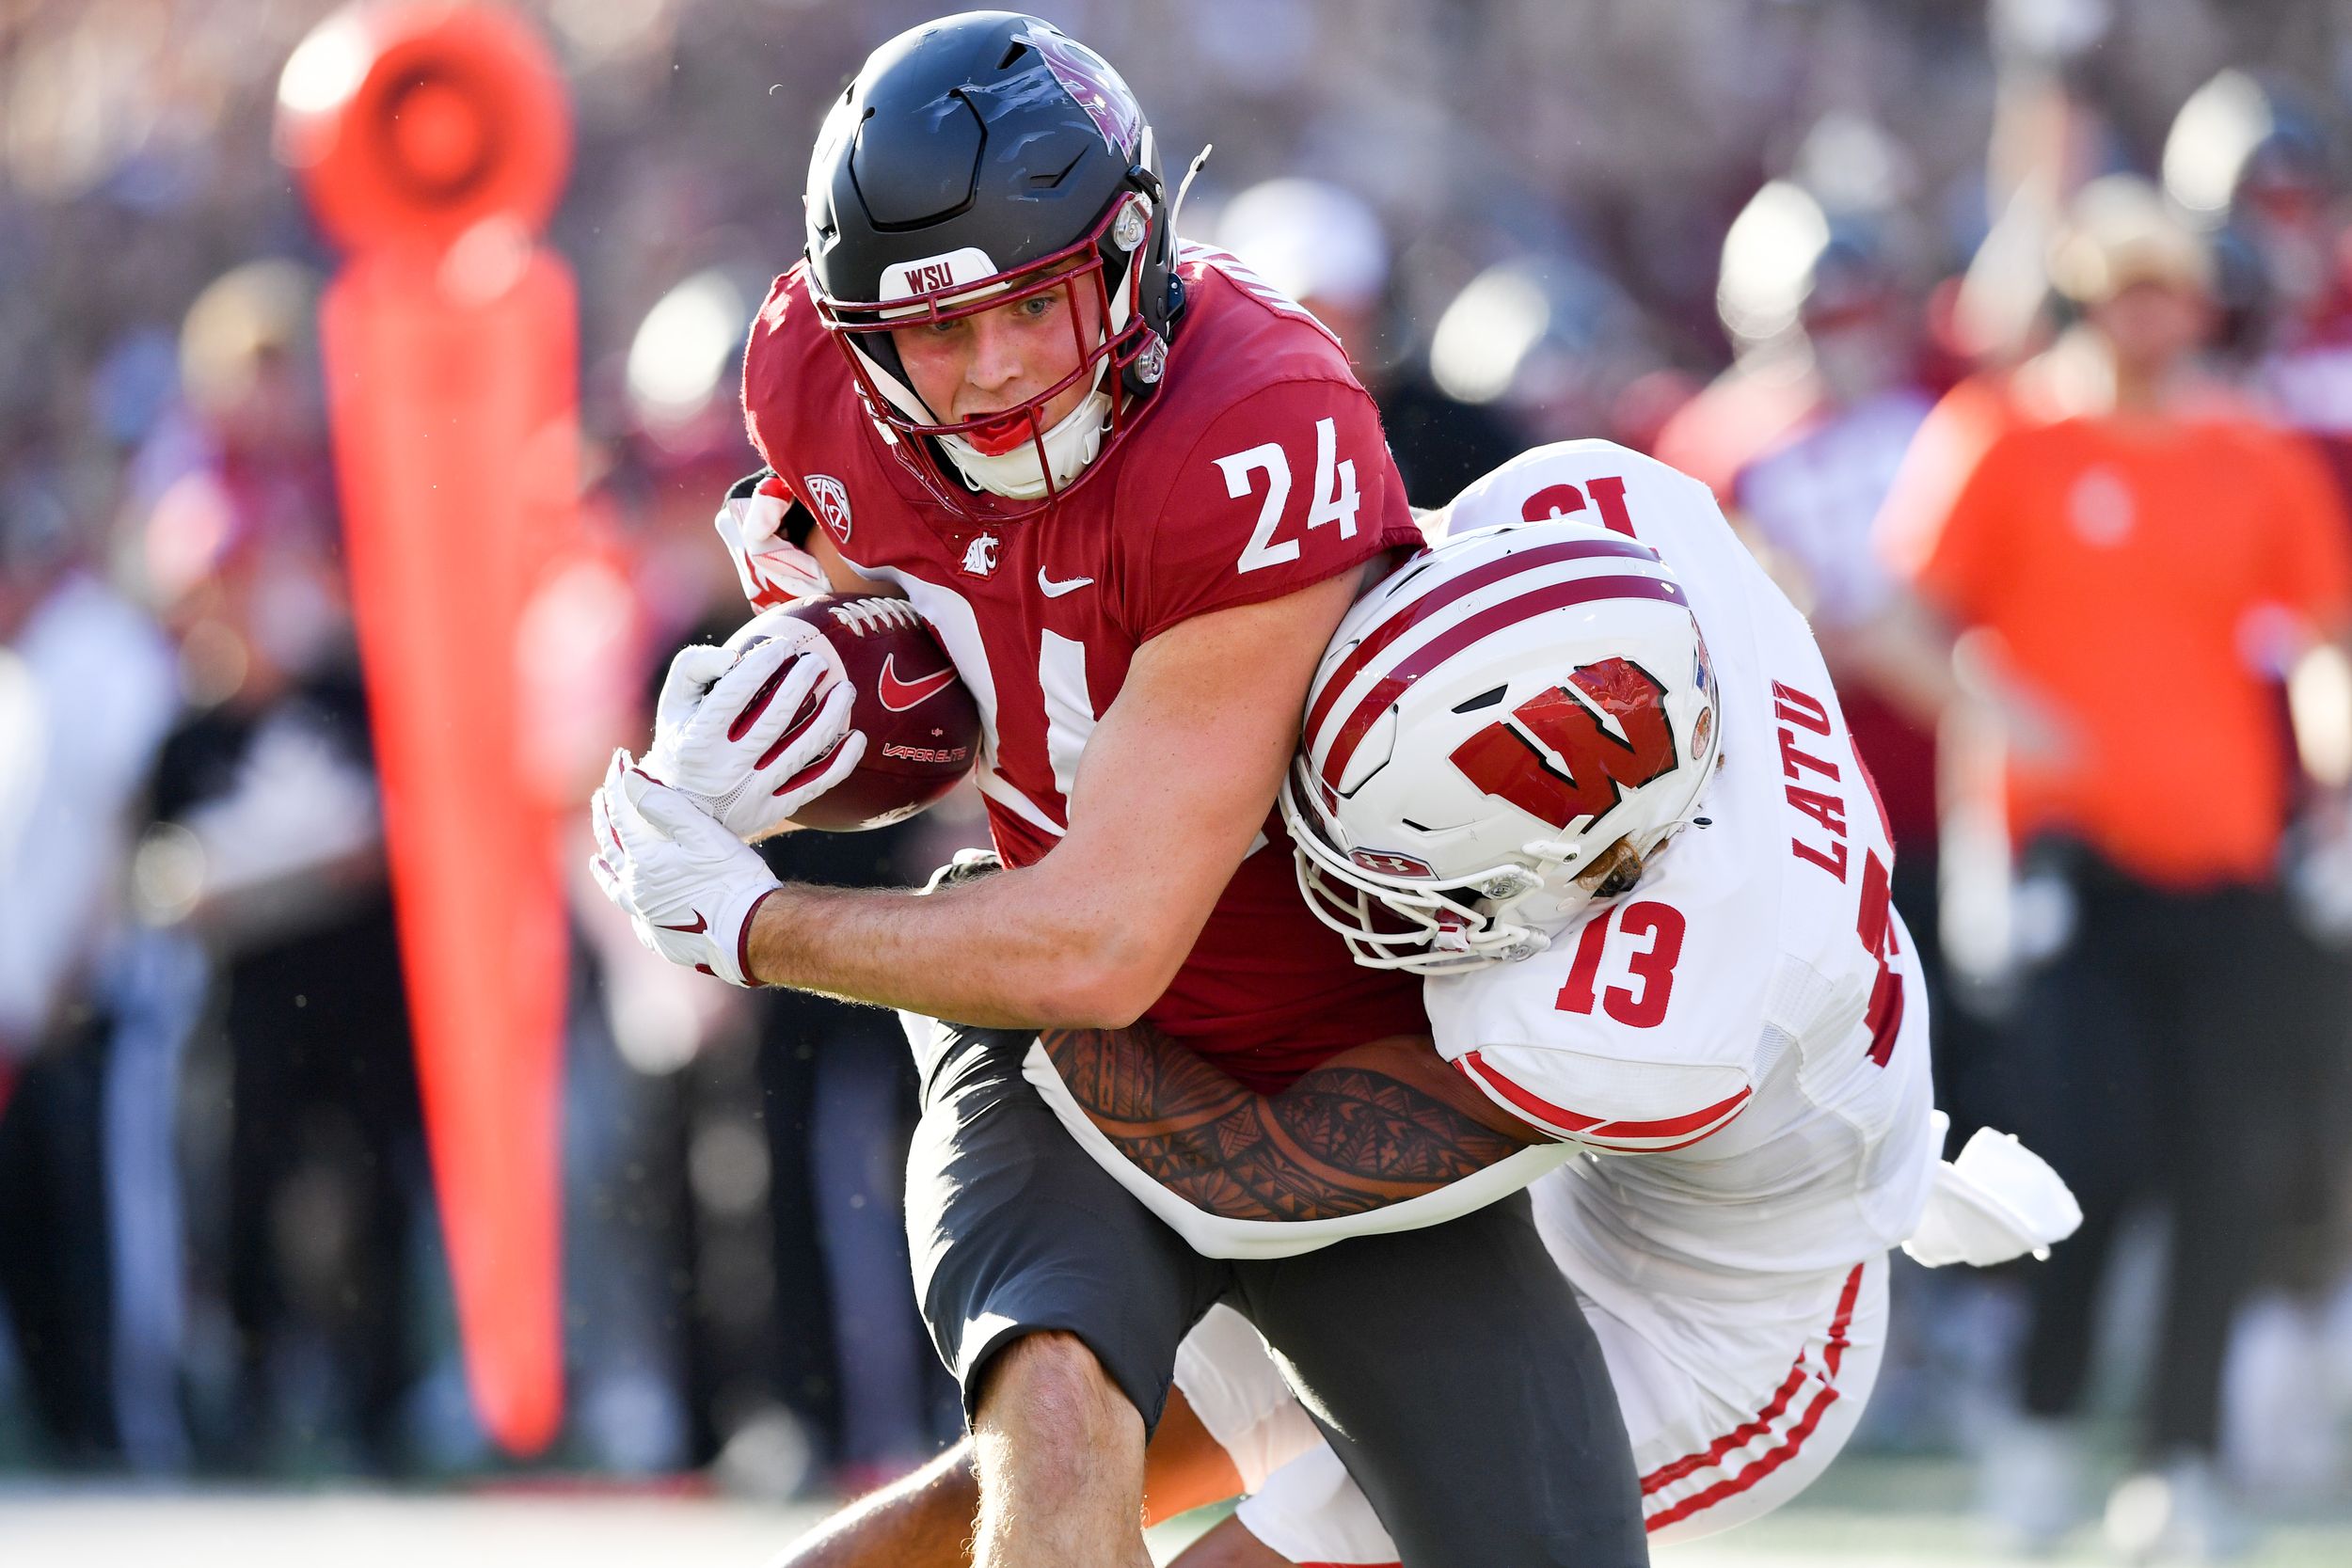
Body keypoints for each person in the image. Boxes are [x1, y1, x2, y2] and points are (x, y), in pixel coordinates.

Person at [590, 15, 1640, 1566]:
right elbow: (951, 672)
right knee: (1059, 1410)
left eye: (1032, 306)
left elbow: (1109, 931)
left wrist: (752, 922)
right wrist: (824, 692)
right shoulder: (813, 373)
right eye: (935, 336)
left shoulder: (1258, 421)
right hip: (1063, 1049)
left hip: (1337, 1066)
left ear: (1132, 256)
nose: (993, 373)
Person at [748, 445, 2077, 1568]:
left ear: (1567, 879)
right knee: (1027, 1484)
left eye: (1383, 868)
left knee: (1248, 1557)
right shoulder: (1590, 509)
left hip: (1710, 1329)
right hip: (1610, 1156)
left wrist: (988, 964)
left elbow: (1251, 1168)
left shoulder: (1640, 1018)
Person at [1875, 175, 2352, 1559]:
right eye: (2135, 285)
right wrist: (1994, 705)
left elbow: (2324, 643)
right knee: (2090, 1153)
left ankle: (2179, 1462)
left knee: (2229, 1165)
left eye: (2177, 287)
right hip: (2062, 871)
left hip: (2227, 865)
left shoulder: (2252, 454)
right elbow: (1904, 619)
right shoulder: (2006, 438)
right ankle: (2040, 1422)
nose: (2162, 315)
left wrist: (2334, 777)